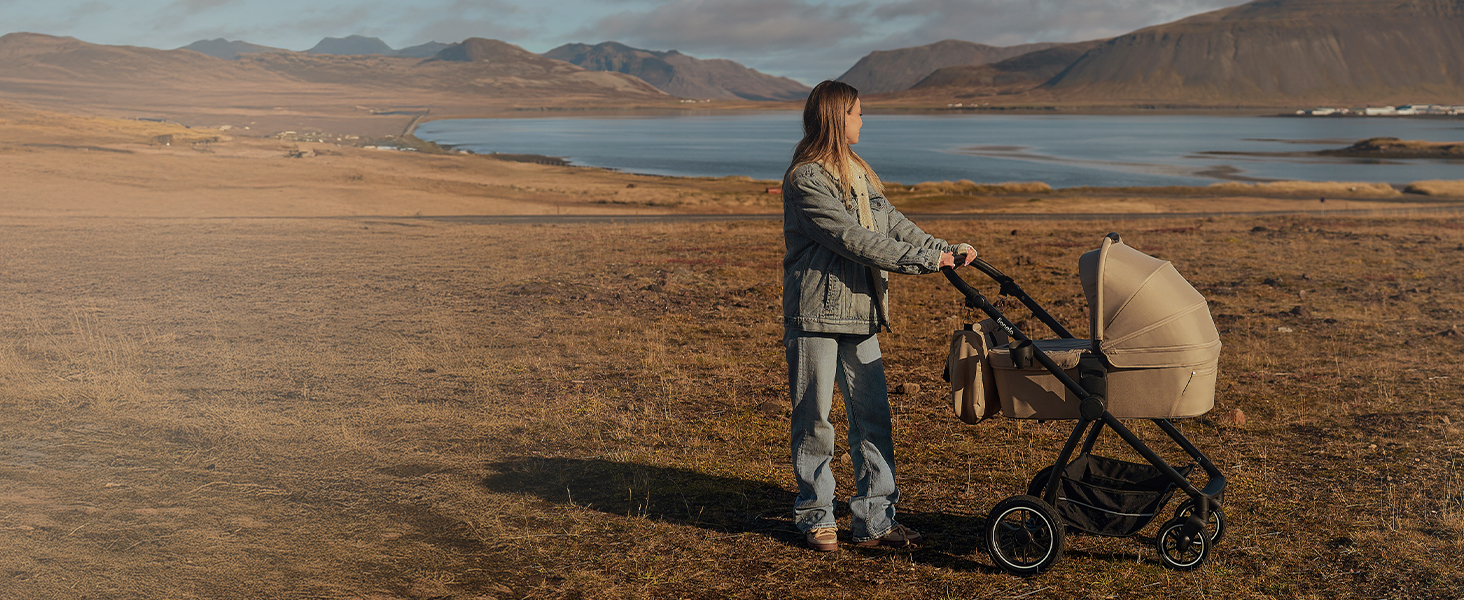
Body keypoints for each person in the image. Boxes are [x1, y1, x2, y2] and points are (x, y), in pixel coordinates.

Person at [781, 80, 975, 552]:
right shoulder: (806, 178)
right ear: (836, 117)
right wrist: (926, 262)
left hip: (862, 312)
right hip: (816, 316)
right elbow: (852, 238)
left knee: (873, 419)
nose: (863, 121)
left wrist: (942, 249)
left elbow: (891, 223)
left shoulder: (859, 172)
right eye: (858, 113)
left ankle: (876, 521)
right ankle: (816, 515)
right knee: (815, 421)